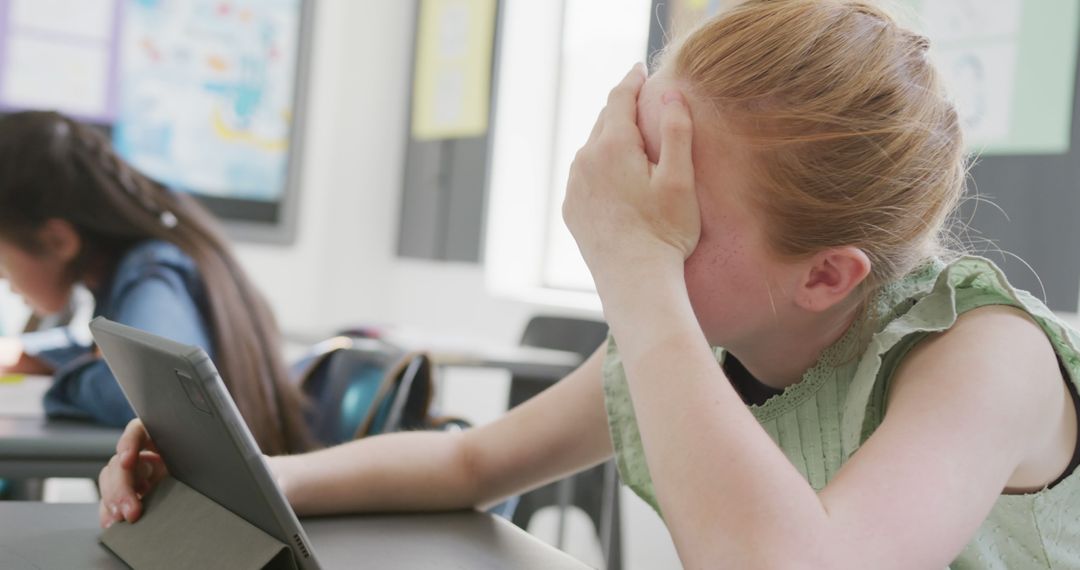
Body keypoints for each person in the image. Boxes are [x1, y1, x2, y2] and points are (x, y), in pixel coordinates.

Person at [99, 1, 1079, 566]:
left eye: (673, 213)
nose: (629, 229)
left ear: (827, 275)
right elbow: (472, 466)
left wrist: (641, 276)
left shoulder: (982, 355)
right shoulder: (710, 335)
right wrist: (237, 474)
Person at [0, 110, 311, 456]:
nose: (2, 278)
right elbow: (112, 350)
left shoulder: (153, 275)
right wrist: (33, 354)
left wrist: (64, 382)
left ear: (58, 240)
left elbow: (153, 393)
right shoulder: (137, 265)